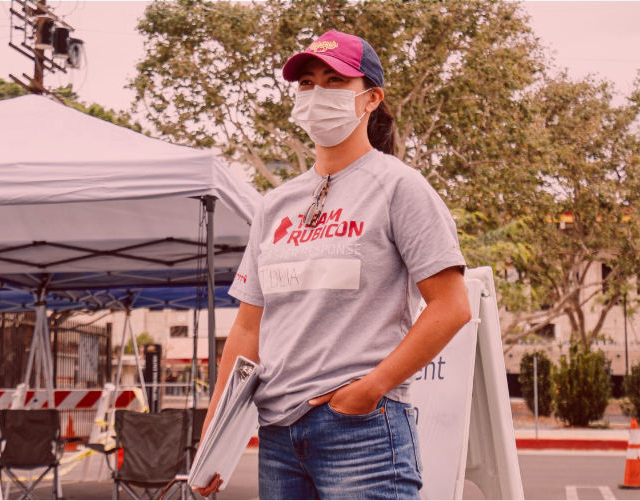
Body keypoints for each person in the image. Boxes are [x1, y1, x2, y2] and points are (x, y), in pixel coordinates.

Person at [192, 29, 472, 500]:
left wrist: (369, 389)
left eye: (334, 81)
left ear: (370, 99)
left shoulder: (399, 187)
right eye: (306, 83)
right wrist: (212, 438)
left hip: (361, 428)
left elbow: (452, 306)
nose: (317, 94)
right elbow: (246, 332)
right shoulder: (275, 204)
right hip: (279, 433)